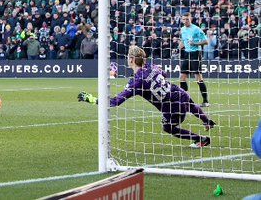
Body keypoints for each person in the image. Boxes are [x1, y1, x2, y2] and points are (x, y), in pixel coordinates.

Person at [78, 46, 215, 148]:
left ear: (131, 60)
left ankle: (200, 139)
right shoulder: (153, 66)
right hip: (178, 92)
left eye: (128, 57)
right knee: (190, 105)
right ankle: (207, 121)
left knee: (168, 128)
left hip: (171, 107)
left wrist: (91, 99)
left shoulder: (136, 81)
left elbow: (115, 102)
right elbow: (164, 75)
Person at [179, 13, 210, 106]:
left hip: (196, 53)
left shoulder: (196, 29)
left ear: (190, 19)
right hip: (186, 53)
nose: (185, 21)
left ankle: (205, 101)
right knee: (182, 77)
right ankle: (185, 100)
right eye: (183, 19)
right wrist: (180, 46)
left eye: (187, 19)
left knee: (198, 78)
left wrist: (195, 43)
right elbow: (183, 40)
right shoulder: (182, 29)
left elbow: (206, 41)